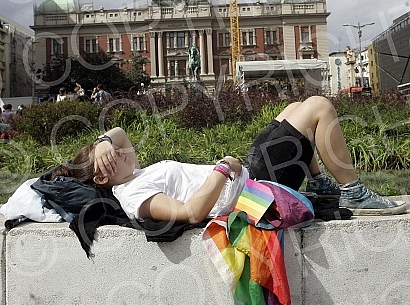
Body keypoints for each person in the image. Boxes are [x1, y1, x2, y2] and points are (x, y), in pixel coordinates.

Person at [53, 96, 407, 224]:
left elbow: (118, 132)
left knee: (294, 108)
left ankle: (317, 183)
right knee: (318, 107)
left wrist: (103, 141)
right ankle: (353, 192)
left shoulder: (132, 173)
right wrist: (223, 169)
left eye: (115, 151)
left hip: (249, 173)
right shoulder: (134, 196)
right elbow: (191, 212)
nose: (119, 152)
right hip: (257, 190)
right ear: (102, 179)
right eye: (111, 158)